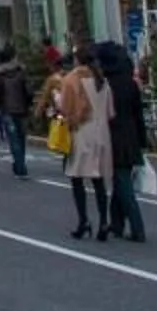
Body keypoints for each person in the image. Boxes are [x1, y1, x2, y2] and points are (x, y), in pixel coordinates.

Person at [57, 50, 115, 241]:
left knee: (76, 179)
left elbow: (64, 108)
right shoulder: (102, 81)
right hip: (102, 135)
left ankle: (84, 220)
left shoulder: (71, 80)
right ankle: (104, 221)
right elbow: (110, 112)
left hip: (81, 134)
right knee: (98, 181)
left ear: (76, 60)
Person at [99, 44, 149, 245]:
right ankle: (117, 224)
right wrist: (143, 140)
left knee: (123, 183)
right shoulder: (130, 84)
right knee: (121, 180)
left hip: (112, 136)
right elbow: (139, 114)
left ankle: (138, 228)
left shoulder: (104, 85)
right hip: (131, 135)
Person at [0, 44, 35, 178]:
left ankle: (20, 167)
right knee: (21, 137)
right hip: (22, 109)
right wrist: (28, 103)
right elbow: (29, 90)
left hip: (6, 109)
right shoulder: (21, 72)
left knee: (13, 139)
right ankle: (20, 164)